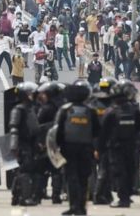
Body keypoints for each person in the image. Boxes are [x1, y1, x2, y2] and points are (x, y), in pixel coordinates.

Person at [54, 81, 100, 215]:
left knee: (71, 179)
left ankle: (73, 206)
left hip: (68, 150)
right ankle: (82, 208)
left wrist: (57, 147)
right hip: (86, 149)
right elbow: (97, 131)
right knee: (83, 179)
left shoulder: (65, 110)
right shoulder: (90, 111)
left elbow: (57, 131)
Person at [99, 80, 140, 208]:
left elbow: (103, 132)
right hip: (131, 146)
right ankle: (127, 196)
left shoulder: (110, 111)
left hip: (116, 147)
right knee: (130, 170)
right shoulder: (134, 110)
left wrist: (99, 148)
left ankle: (123, 199)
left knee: (119, 172)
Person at [8, 82, 41, 206]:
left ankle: (16, 196)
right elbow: (14, 128)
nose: (33, 96)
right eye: (30, 94)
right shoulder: (19, 109)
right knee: (25, 170)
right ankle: (25, 198)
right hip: (23, 144)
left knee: (24, 170)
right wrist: (14, 146)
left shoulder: (29, 108)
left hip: (30, 143)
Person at [36, 82, 67, 204]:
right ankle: (56, 195)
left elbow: (38, 124)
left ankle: (39, 194)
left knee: (41, 169)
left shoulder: (46, 107)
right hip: (59, 142)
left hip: (46, 142)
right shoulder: (64, 107)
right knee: (57, 170)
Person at [89, 77, 116, 205]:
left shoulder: (92, 104)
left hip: (92, 140)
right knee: (105, 169)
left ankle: (95, 193)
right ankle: (101, 194)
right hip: (106, 141)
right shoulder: (113, 105)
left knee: (93, 169)